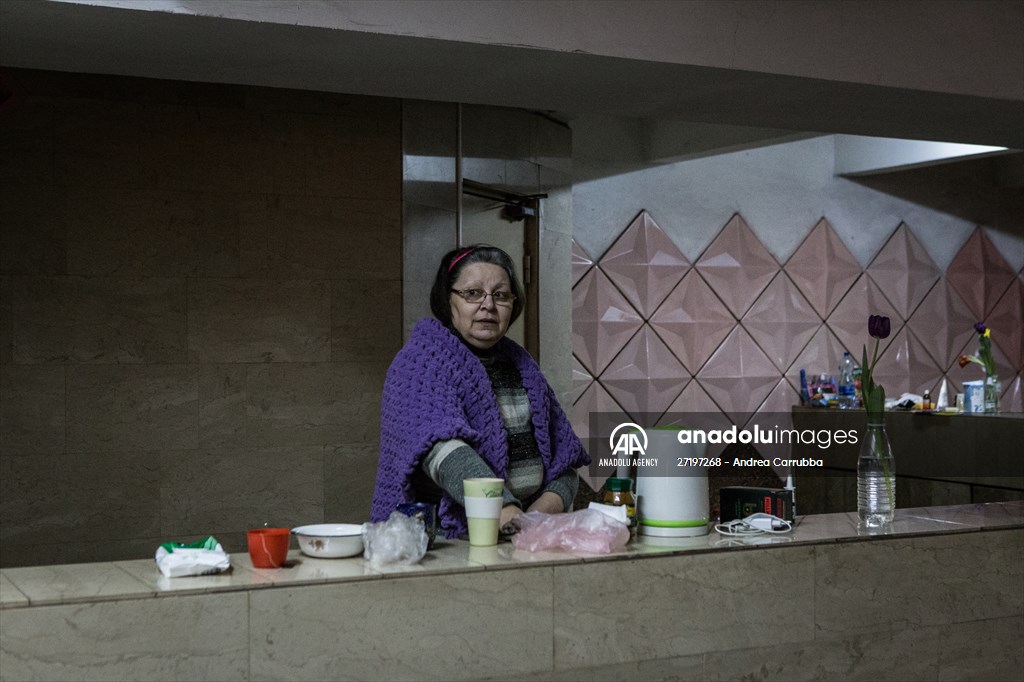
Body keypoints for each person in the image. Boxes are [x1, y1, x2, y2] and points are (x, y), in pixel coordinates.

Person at [371, 244, 589, 538]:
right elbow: (444, 453)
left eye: (500, 295)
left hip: (526, 533)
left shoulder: (523, 365)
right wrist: (505, 512)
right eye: (472, 293)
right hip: (449, 539)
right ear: (448, 299)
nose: (488, 305)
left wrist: (536, 518)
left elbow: (565, 463)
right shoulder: (422, 361)